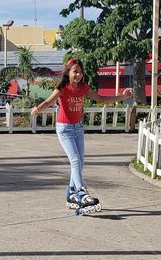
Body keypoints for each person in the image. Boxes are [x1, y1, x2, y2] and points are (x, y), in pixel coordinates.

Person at [31, 58, 132, 212]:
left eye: (80, 72)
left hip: (78, 128)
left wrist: (122, 97)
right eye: (75, 71)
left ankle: (71, 192)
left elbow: (100, 98)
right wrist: (38, 108)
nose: (78, 75)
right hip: (64, 129)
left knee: (80, 162)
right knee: (75, 160)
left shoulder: (84, 88)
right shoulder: (62, 88)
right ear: (68, 73)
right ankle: (81, 193)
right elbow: (48, 102)